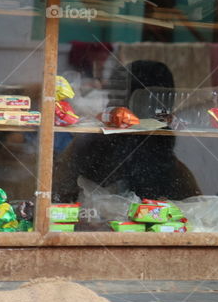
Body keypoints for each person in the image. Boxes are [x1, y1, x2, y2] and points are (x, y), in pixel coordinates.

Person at [52, 60, 200, 203]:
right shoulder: (89, 146)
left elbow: (192, 209)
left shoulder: (171, 167)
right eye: (112, 98)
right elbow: (57, 194)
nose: (110, 105)